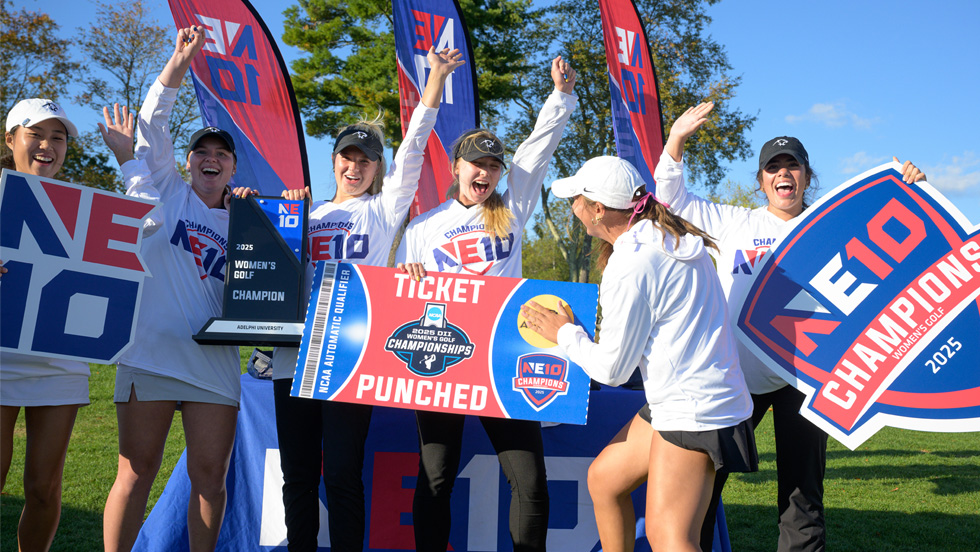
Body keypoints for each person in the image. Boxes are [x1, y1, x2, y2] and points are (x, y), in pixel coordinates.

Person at [651, 101, 927, 552]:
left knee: (803, 498)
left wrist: (910, 189)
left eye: (792, 165)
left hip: (805, 380)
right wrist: (677, 139)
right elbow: (671, 198)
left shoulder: (833, 229)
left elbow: (901, 246)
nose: (784, 173)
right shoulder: (735, 223)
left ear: (806, 175)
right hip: (737, 378)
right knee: (702, 488)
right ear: (761, 182)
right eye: (773, 167)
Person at [263, 46, 464, 552]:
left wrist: (434, 82)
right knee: (299, 475)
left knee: (344, 474)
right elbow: (262, 268)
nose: (356, 166)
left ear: (378, 168)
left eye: (366, 159)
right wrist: (272, 219)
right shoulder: (304, 215)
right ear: (333, 161)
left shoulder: (382, 210)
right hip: (294, 356)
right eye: (348, 157)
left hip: (351, 355)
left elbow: (415, 145)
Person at [521, 155, 758, 552]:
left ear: (598, 210)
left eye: (576, 200)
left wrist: (564, 334)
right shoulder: (667, 238)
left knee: (670, 538)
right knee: (604, 480)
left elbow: (613, 370)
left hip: (692, 408)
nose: (573, 209)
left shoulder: (633, 261)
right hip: (693, 398)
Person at [396, 56, 577, 552]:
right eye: (478, 163)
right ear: (456, 168)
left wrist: (560, 95)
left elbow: (540, 147)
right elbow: (405, 301)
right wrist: (406, 278)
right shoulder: (423, 228)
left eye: (495, 165)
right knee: (435, 478)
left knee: (530, 481)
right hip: (444, 356)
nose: (487, 172)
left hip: (504, 355)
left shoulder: (513, 201)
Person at [99, 26, 242, 552]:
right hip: (152, 353)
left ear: (231, 167)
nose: (211, 157)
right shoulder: (166, 188)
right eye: (201, 150)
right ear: (186, 162)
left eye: (221, 154)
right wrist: (177, 63)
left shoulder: (245, 222)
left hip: (214, 363)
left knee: (211, 479)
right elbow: (154, 121)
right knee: (135, 472)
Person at [1, 98, 88, 552]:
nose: (47, 146)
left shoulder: (87, 209)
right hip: (0, 358)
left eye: (58, 138)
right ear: (11, 139)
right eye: (36, 134)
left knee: (43, 488)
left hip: (60, 359)